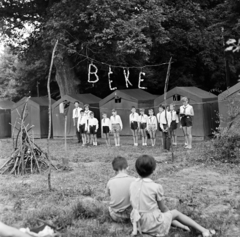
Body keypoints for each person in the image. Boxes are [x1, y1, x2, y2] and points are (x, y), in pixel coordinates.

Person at [130, 155, 216, 237]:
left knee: (165, 215)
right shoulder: (156, 187)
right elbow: (163, 208)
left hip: (138, 222)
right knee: (174, 213)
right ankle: (204, 230)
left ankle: (183, 227)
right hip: (152, 224)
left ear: (136, 169)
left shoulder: (132, 184)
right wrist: (169, 214)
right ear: (153, 170)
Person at [106, 156, 136, 222]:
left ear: (113, 170)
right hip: (131, 215)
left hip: (115, 216)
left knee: (109, 206)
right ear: (128, 168)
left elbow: (109, 195)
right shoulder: (134, 180)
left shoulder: (110, 181)